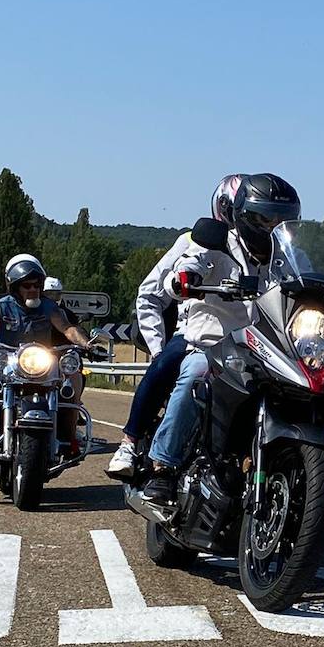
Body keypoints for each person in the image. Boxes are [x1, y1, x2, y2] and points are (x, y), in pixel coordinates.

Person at [142, 174, 302, 502]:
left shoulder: (290, 257)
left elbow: (311, 291)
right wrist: (184, 280)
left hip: (266, 348)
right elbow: (188, 265)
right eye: (265, 217)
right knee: (195, 375)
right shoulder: (217, 242)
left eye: (282, 219)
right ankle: (164, 465)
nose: (273, 225)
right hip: (213, 343)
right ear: (243, 217)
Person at [106, 175, 243, 479]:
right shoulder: (199, 241)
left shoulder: (275, 251)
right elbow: (154, 291)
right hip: (201, 332)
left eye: (268, 217)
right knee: (169, 364)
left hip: (254, 342)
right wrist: (157, 345)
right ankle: (131, 443)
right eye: (252, 214)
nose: (259, 222)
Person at [0, 255, 91, 456]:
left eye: (37, 285)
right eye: (27, 285)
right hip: (6, 362)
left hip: (40, 362)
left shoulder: (49, 307)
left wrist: (87, 344)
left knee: (74, 377)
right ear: (16, 287)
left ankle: (70, 437)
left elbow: (67, 328)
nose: (33, 290)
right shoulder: (1, 305)